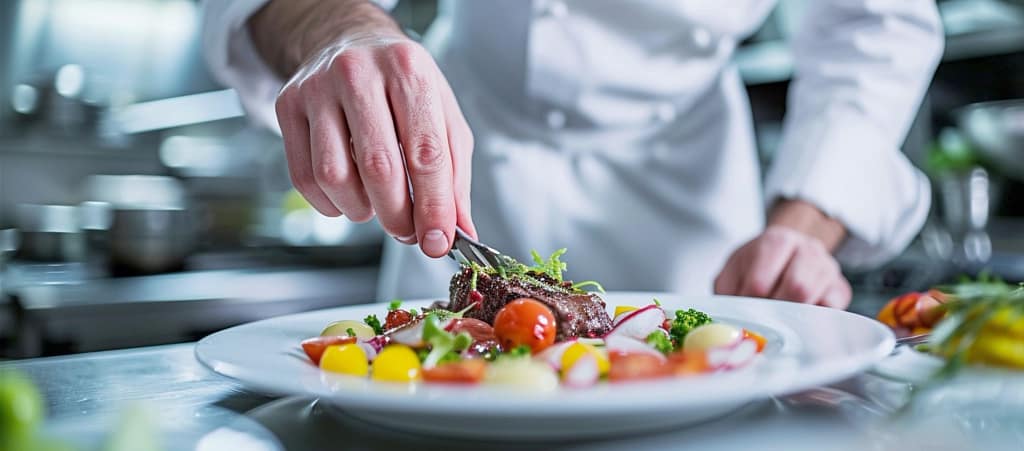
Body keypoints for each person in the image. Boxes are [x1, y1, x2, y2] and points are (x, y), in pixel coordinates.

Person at [201, 0, 943, 308]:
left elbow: (875, 29)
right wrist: (338, 26)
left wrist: (802, 230)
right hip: (463, 159)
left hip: (691, 205)